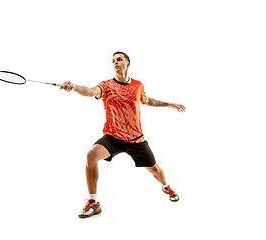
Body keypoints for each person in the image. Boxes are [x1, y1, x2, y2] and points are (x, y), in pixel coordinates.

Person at [61, 52, 186, 218]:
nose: (115, 62)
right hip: (113, 137)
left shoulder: (137, 85)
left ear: (128, 63)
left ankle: (166, 186)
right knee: (91, 154)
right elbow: (90, 91)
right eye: (113, 60)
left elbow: (147, 100)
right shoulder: (106, 86)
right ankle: (93, 202)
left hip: (136, 139)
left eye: (119, 59)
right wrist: (75, 87)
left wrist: (168, 104)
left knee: (155, 170)